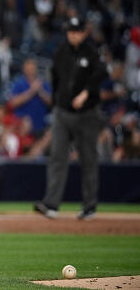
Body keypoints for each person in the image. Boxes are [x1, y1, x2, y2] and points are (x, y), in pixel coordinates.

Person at [34, 17, 108, 221]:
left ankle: (89, 206)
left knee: (88, 160)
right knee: (57, 157)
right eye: (70, 31)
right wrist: (56, 102)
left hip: (87, 114)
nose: (72, 34)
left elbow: (102, 72)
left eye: (76, 31)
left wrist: (86, 93)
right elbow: (55, 78)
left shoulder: (91, 53)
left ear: (84, 32)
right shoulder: (61, 51)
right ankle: (51, 205)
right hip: (63, 112)